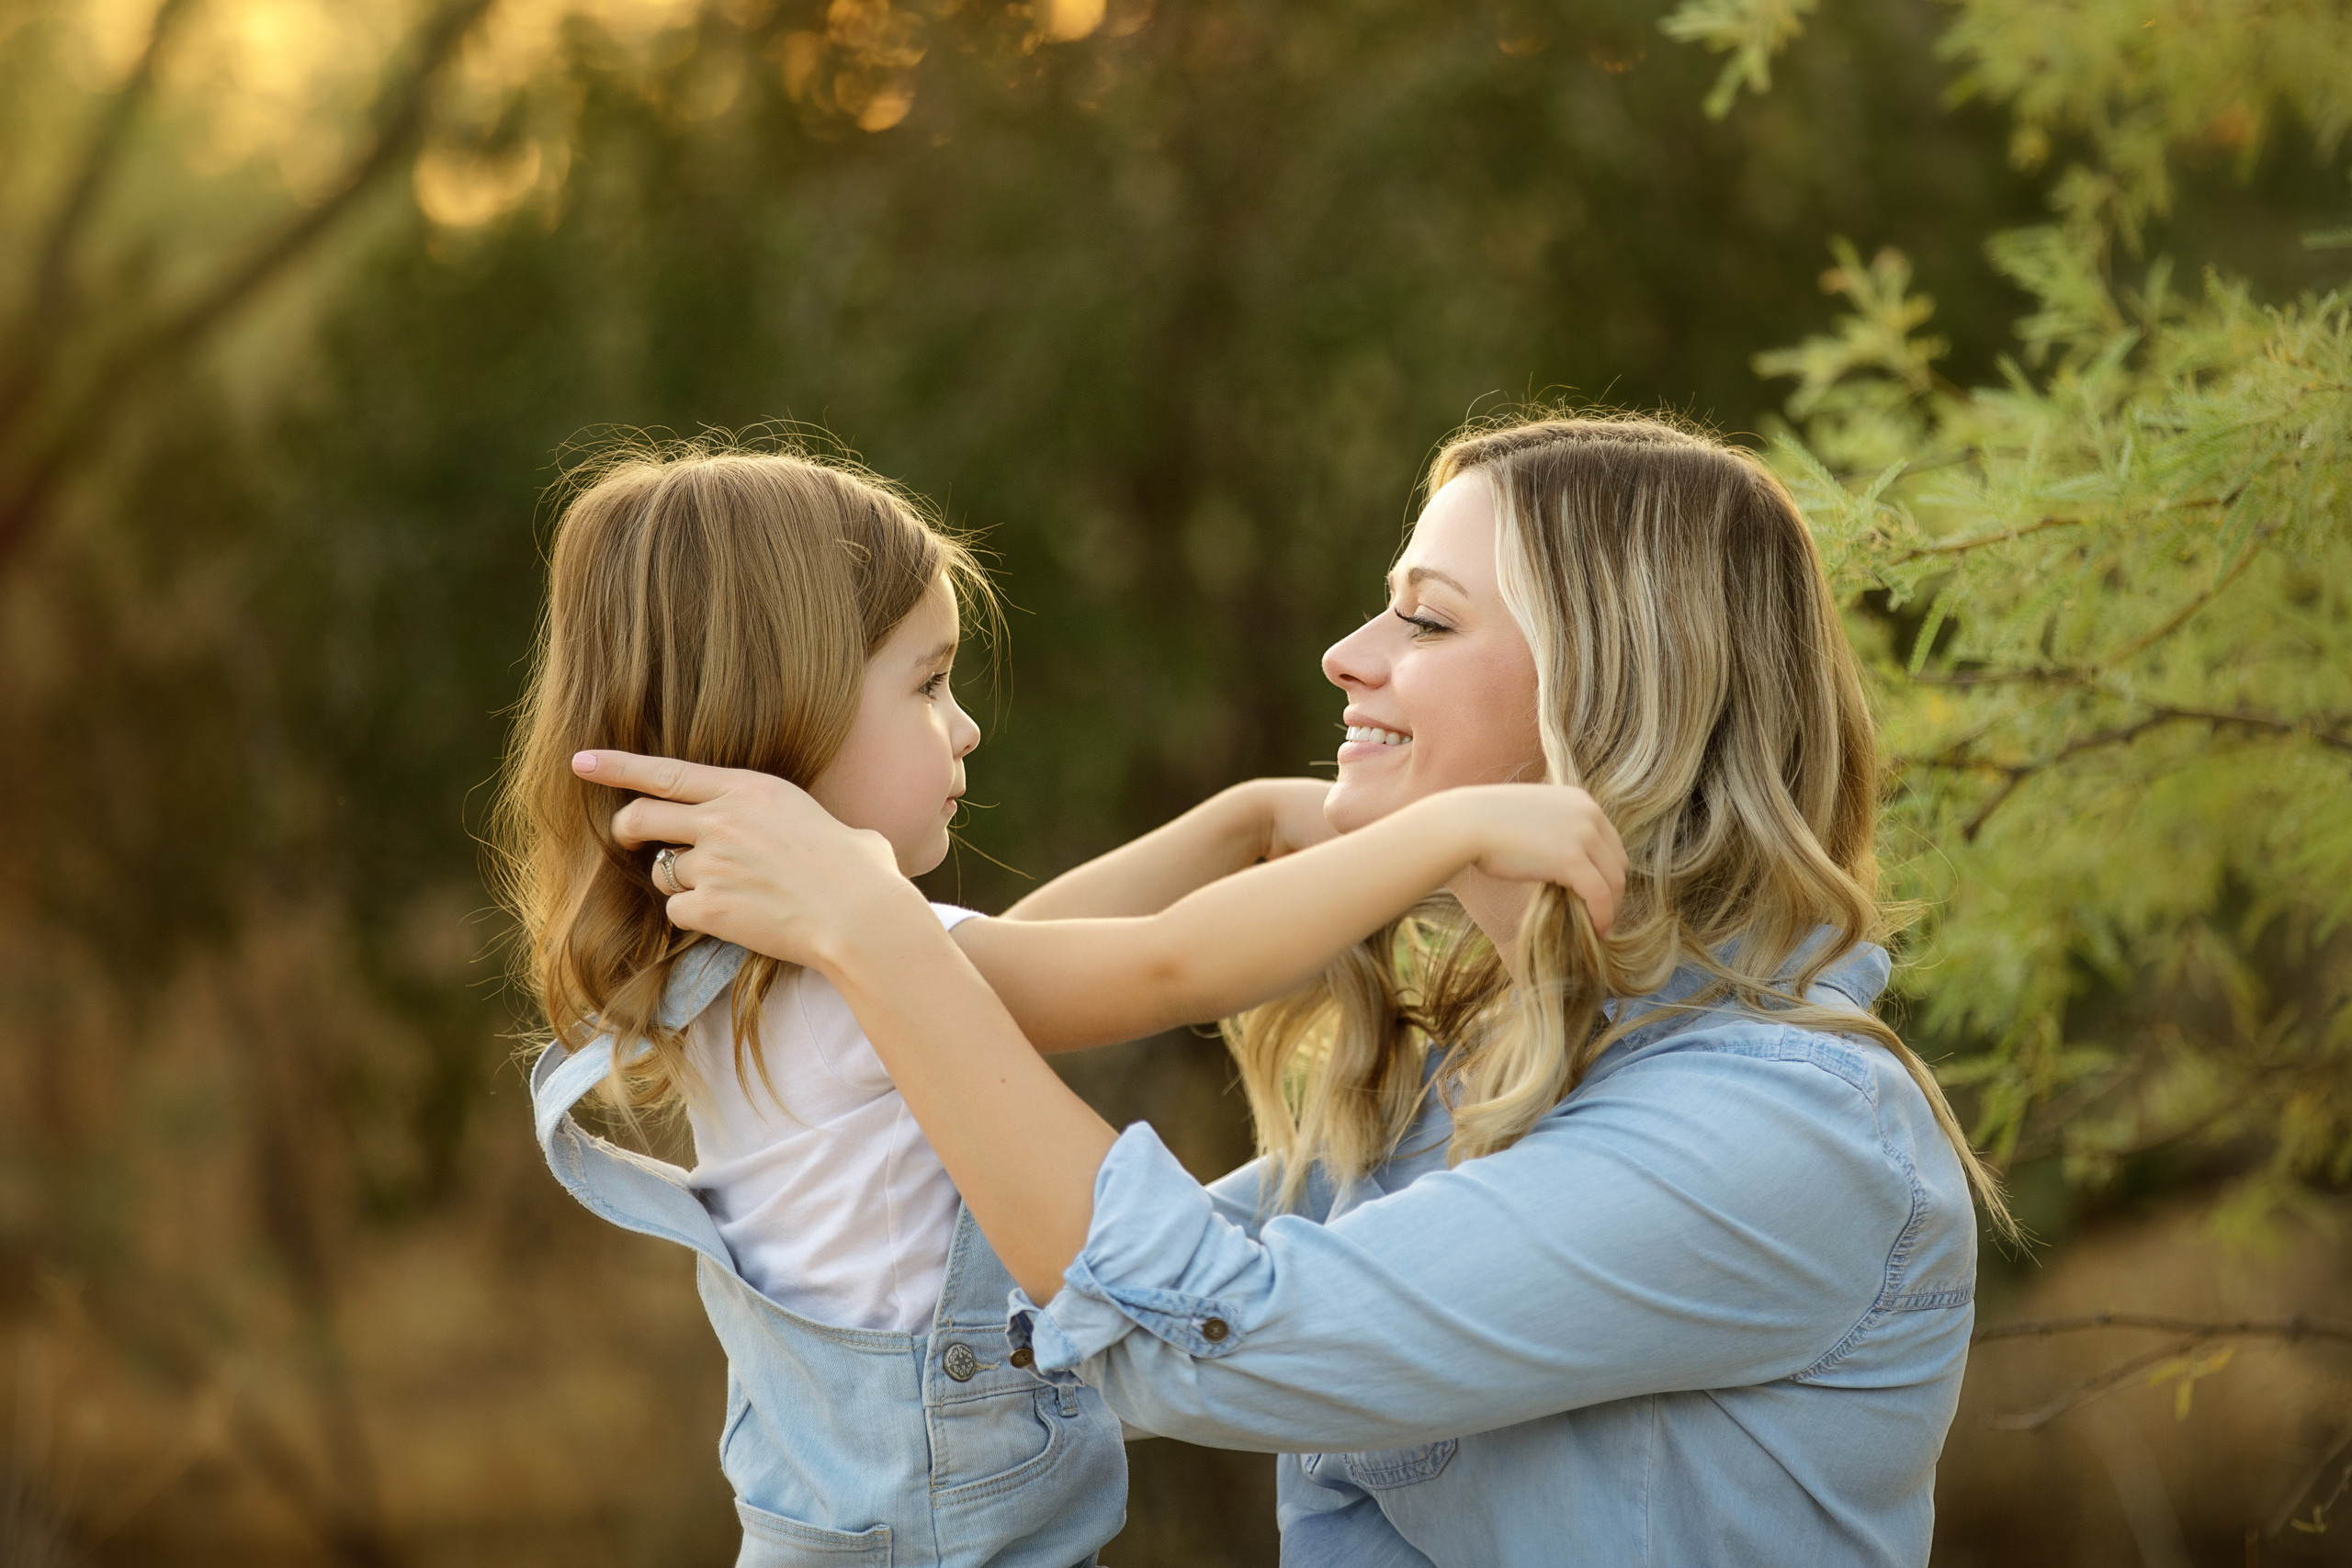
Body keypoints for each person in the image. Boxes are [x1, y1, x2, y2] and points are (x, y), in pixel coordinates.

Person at [577, 414, 2014, 1568]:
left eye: (1426, 620)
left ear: (1611, 692)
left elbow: (1203, 1332)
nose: (1348, 655)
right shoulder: (1485, 1074)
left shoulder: (1771, 1131)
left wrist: (868, 926)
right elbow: (1061, 1300)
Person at [495, 439, 1627, 1567]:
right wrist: (1458, 826)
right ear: (786, 712)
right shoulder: (845, 969)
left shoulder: (753, 970)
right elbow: (1164, 968)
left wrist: (1239, 824)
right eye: (928, 685)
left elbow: (1020, 958)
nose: (965, 726)